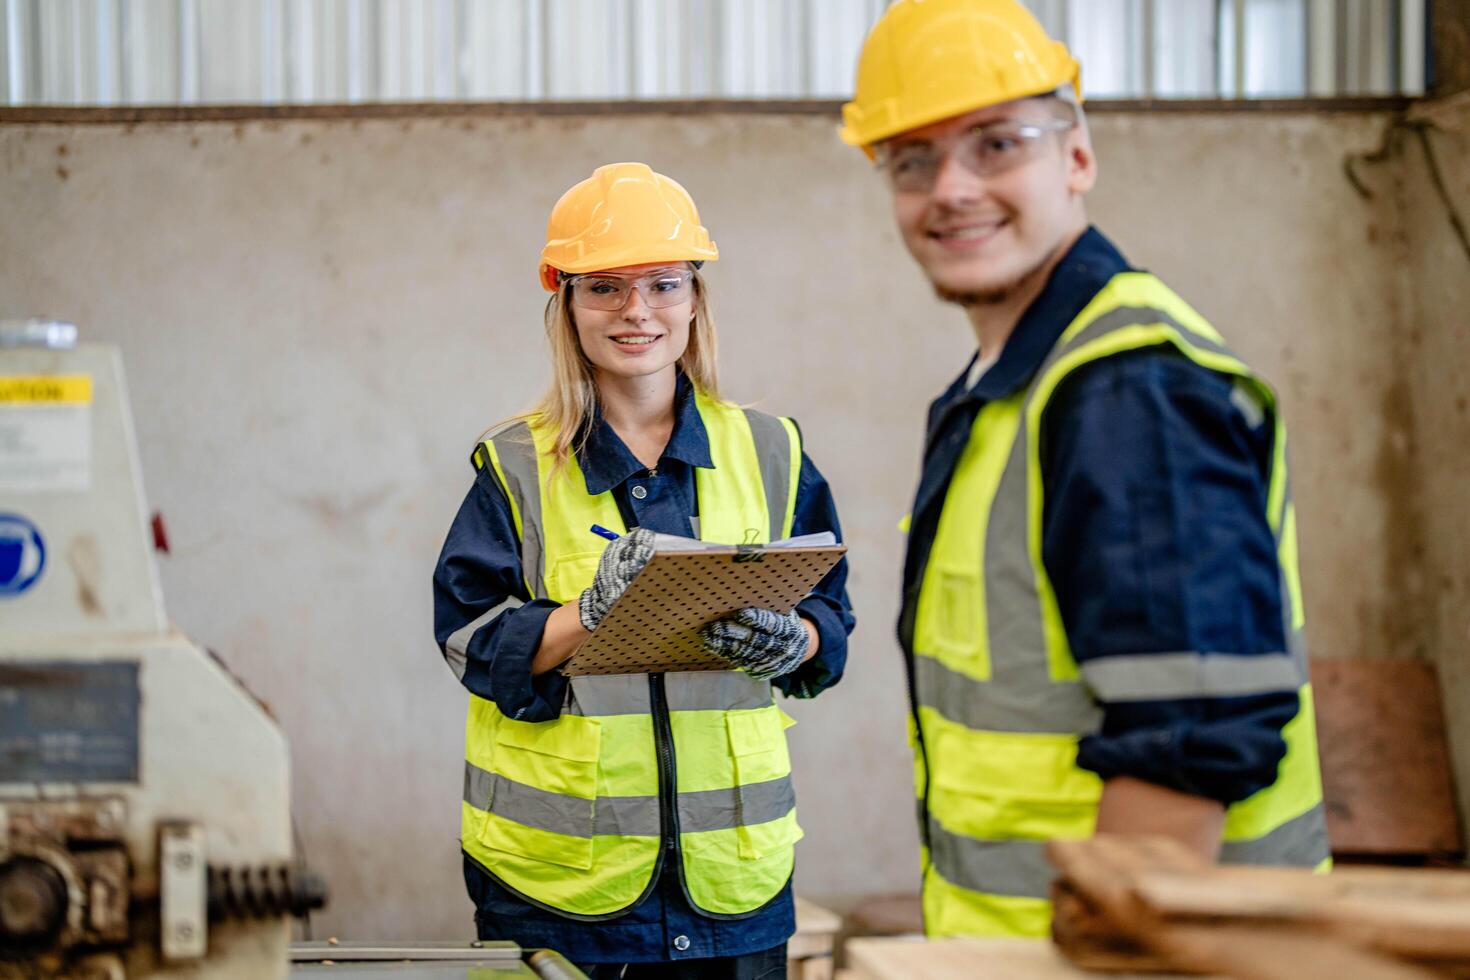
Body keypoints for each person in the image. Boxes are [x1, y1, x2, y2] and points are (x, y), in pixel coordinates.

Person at [839, 0, 1329, 938]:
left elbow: (1189, 740)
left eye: (995, 143)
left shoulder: (1123, 390)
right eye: (913, 160)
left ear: (1076, 157)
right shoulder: (1016, 383)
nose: (950, 188)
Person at [433, 162, 854, 978]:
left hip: (732, 883)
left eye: (663, 284)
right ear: (568, 303)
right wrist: (589, 612)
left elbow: (830, 623)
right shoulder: (516, 466)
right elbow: (467, 640)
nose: (637, 312)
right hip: (563, 888)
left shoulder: (772, 450)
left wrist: (792, 642)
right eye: (606, 289)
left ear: (696, 299)